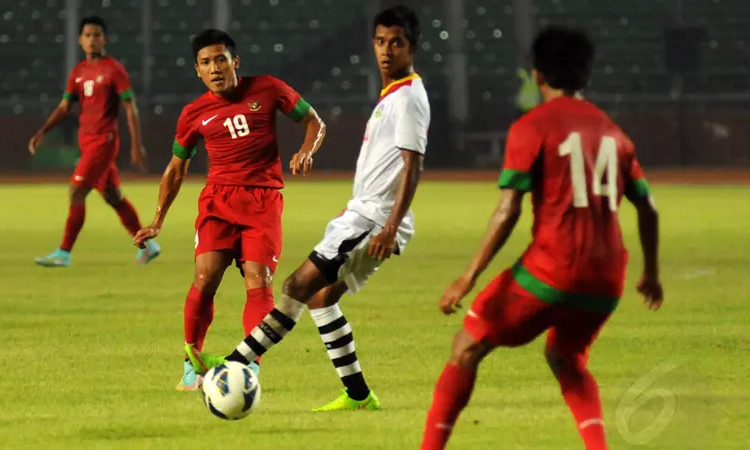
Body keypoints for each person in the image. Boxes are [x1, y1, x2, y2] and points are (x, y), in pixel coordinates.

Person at [419, 26, 663, 450]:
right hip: (607, 279)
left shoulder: (532, 126)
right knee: (566, 358)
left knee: (466, 346)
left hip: (553, 269)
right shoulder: (615, 133)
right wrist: (652, 274)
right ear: (586, 74)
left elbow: (508, 209)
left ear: (536, 75)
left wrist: (468, 276)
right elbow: (648, 208)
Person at [185, 5, 430, 412]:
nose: (386, 51)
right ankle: (358, 395)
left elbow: (412, 164)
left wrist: (388, 224)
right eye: (381, 42)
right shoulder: (393, 94)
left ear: (412, 47)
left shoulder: (408, 99)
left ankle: (233, 363)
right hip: (365, 215)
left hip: (374, 220)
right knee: (320, 300)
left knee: (295, 288)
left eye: (397, 43)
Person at [132, 29, 326, 391]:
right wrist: (157, 220)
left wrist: (307, 149)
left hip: (263, 200)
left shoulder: (268, 89)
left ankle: (250, 366)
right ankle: (193, 361)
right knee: (205, 278)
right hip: (218, 201)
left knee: (259, 281)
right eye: (206, 62)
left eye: (220, 59)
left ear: (235, 62)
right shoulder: (193, 114)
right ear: (198, 71)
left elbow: (314, 120)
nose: (215, 68)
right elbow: (176, 169)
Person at [31, 16, 158, 267]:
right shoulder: (78, 72)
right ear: (80, 40)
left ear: (105, 39)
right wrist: (42, 131)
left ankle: (64, 253)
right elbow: (65, 105)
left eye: (97, 35)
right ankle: (149, 244)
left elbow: (130, 108)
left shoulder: (114, 70)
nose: (92, 40)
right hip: (87, 142)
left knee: (77, 191)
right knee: (113, 196)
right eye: (88, 35)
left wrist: (136, 144)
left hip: (104, 142)